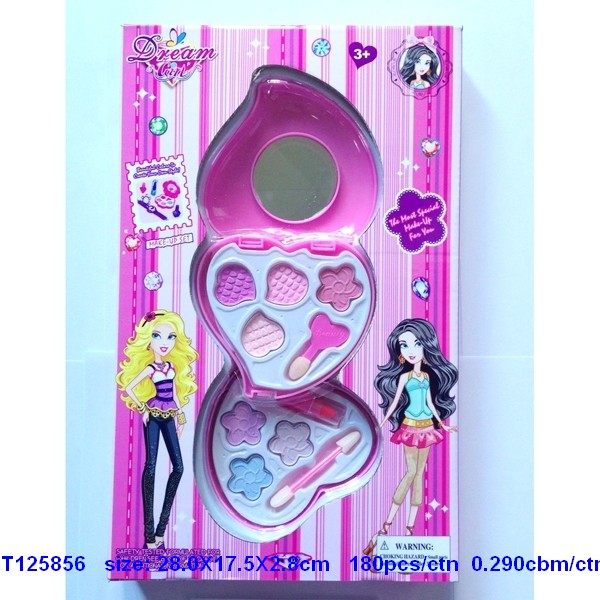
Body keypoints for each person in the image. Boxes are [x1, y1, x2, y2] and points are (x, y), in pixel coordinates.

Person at [363, 318, 457, 556]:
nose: (411, 350)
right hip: (410, 426)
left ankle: (408, 530)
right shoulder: (404, 378)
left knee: (418, 475)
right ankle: (386, 526)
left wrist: (442, 426)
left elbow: (430, 403)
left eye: (416, 344)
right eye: (404, 345)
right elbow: (395, 402)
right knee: (412, 472)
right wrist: (380, 422)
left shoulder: (426, 377)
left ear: (427, 346)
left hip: (427, 426)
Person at [116, 310, 198, 548]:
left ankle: (161, 529)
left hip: (169, 415)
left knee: (179, 467)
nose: (164, 342)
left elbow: (175, 394)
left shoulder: (171, 366)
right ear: (148, 340)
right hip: (153, 415)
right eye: (157, 336)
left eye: (171, 337)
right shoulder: (150, 369)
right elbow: (129, 387)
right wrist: (142, 408)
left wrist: (181, 417)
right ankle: (149, 536)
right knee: (151, 466)